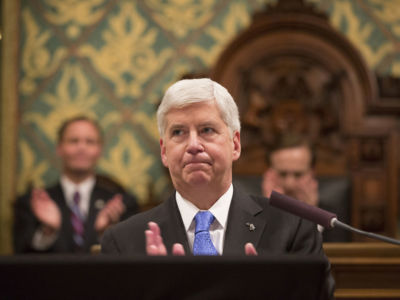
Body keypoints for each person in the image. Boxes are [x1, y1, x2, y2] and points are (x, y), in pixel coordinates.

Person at [101, 79, 334, 298]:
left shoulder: (293, 227)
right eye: (178, 132)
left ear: (235, 144)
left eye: (207, 130)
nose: (193, 145)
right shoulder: (123, 243)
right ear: (164, 151)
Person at [13, 116, 139, 253]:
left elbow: (133, 257)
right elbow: (20, 255)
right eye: (73, 141)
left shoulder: (122, 204)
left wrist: (105, 234)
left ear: (100, 150)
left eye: (90, 142)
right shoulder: (32, 203)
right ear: (59, 148)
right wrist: (47, 232)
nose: (81, 147)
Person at [262, 134, 351, 242]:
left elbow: (338, 255)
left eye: (298, 175)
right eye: (282, 174)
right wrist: (270, 213)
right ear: (268, 174)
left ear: (312, 174)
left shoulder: (333, 218)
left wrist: (311, 217)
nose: (290, 184)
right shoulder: (248, 213)